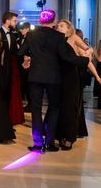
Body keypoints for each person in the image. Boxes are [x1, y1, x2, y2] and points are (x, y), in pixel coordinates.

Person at [18, 10, 89, 152]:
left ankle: (38, 143)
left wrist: (28, 59)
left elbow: (21, 52)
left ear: (40, 20)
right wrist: (84, 60)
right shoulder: (59, 36)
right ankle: (50, 143)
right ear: (54, 21)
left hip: (36, 76)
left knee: (36, 110)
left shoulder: (31, 35)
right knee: (54, 108)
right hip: (53, 77)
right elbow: (65, 57)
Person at [55, 20, 101, 149]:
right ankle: (60, 135)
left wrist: (97, 75)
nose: (59, 27)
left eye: (62, 25)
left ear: (69, 28)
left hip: (71, 77)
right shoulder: (56, 40)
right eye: (58, 26)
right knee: (58, 107)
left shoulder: (73, 38)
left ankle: (69, 138)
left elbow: (88, 50)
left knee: (69, 107)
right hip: (58, 76)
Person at [0, 12, 24, 124]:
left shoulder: (13, 35)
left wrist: (25, 58)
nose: (16, 22)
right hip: (0, 69)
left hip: (10, 69)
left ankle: (7, 118)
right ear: (8, 20)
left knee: (9, 93)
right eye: (14, 20)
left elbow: (16, 52)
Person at [17, 22, 32, 112]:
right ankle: (28, 103)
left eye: (22, 29)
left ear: (27, 29)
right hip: (22, 65)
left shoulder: (31, 39)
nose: (20, 30)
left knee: (29, 86)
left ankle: (31, 105)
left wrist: (29, 58)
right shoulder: (21, 38)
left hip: (30, 65)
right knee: (25, 85)